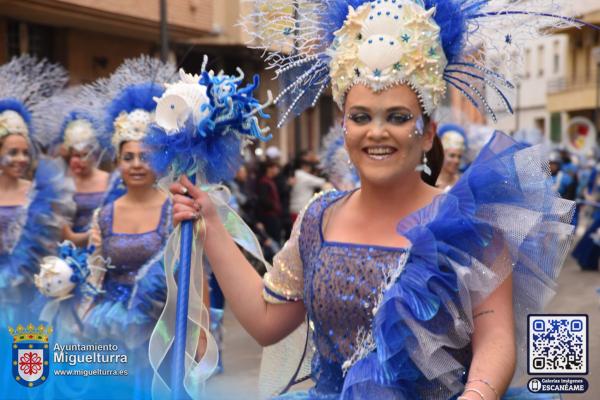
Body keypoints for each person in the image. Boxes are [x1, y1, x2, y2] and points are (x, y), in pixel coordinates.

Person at [172, 1, 583, 399]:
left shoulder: (470, 225)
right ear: (344, 128)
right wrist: (210, 224)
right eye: (362, 116)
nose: (377, 132)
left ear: (426, 133)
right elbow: (265, 323)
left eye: (398, 117)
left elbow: (495, 340)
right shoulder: (319, 219)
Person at [290, 153, 328, 222]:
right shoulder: (303, 176)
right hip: (301, 209)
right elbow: (323, 182)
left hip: (294, 208)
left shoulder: (296, 173)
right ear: (305, 166)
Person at [436, 124, 467, 192]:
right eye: (452, 155)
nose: (456, 161)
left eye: (459, 157)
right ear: (441, 155)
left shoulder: (462, 183)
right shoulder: (430, 182)